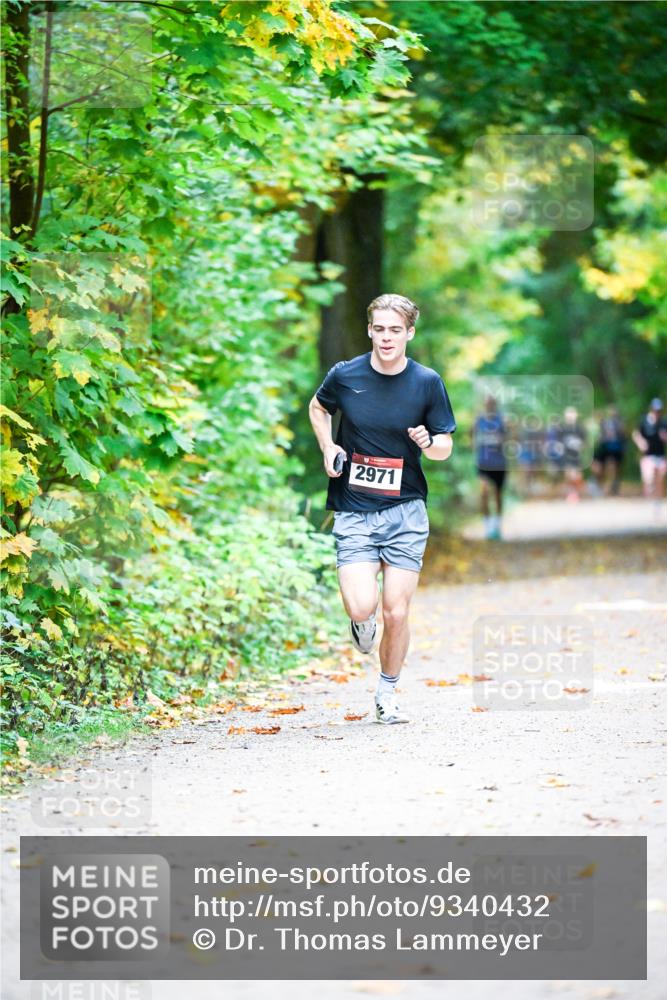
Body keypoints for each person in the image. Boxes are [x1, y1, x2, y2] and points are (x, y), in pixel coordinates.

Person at [308, 293, 456, 725]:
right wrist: (328, 445)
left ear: (409, 333)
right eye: (379, 329)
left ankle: (387, 692)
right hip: (354, 510)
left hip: (406, 511)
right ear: (369, 330)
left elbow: (445, 444)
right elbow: (319, 408)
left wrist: (430, 442)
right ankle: (361, 625)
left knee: (396, 610)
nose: (386, 337)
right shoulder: (346, 374)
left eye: (396, 329)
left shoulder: (426, 382)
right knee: (361, 607)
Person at [473, 395, 507, 539]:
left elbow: (510, 438)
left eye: (491, 404)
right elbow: (472, 436)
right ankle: (487, 528)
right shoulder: (479, 420)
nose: (489, 406)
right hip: (483, 463)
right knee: (484, 493)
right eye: (487, 404)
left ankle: (497, 526)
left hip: (499, 463)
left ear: (495, 405)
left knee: (498, 495)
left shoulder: (502, 420)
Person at [632, 398, 667, 509]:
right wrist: (641, 442)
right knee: (649, 478)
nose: (657, 412)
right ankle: (651, 493)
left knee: (660, 479)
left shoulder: (663, 422)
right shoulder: (644, 421)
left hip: (660, 455)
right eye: (656, 410)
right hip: (648, 456)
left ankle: (657, 501)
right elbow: (636, 433)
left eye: (659, 410)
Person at [591, 406, 626, 496]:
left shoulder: (619, 424)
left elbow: (623, 437)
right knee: (602, 468)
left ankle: (612, 488)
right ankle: (603, 487)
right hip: (605, 449)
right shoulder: (603, 424)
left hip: (615, 450)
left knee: (614, 469)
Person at [561, 406, 587, 503]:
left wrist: (579, 446)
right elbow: (559, 441)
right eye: (568, 414)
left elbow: (584, 442)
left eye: (572, 414)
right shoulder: (562, 427)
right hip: (566, 455)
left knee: (577, 475)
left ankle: (577, 493)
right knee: (568, 474)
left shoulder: (580, 428)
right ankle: (570, 494)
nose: (570, 416)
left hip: (576, 455)